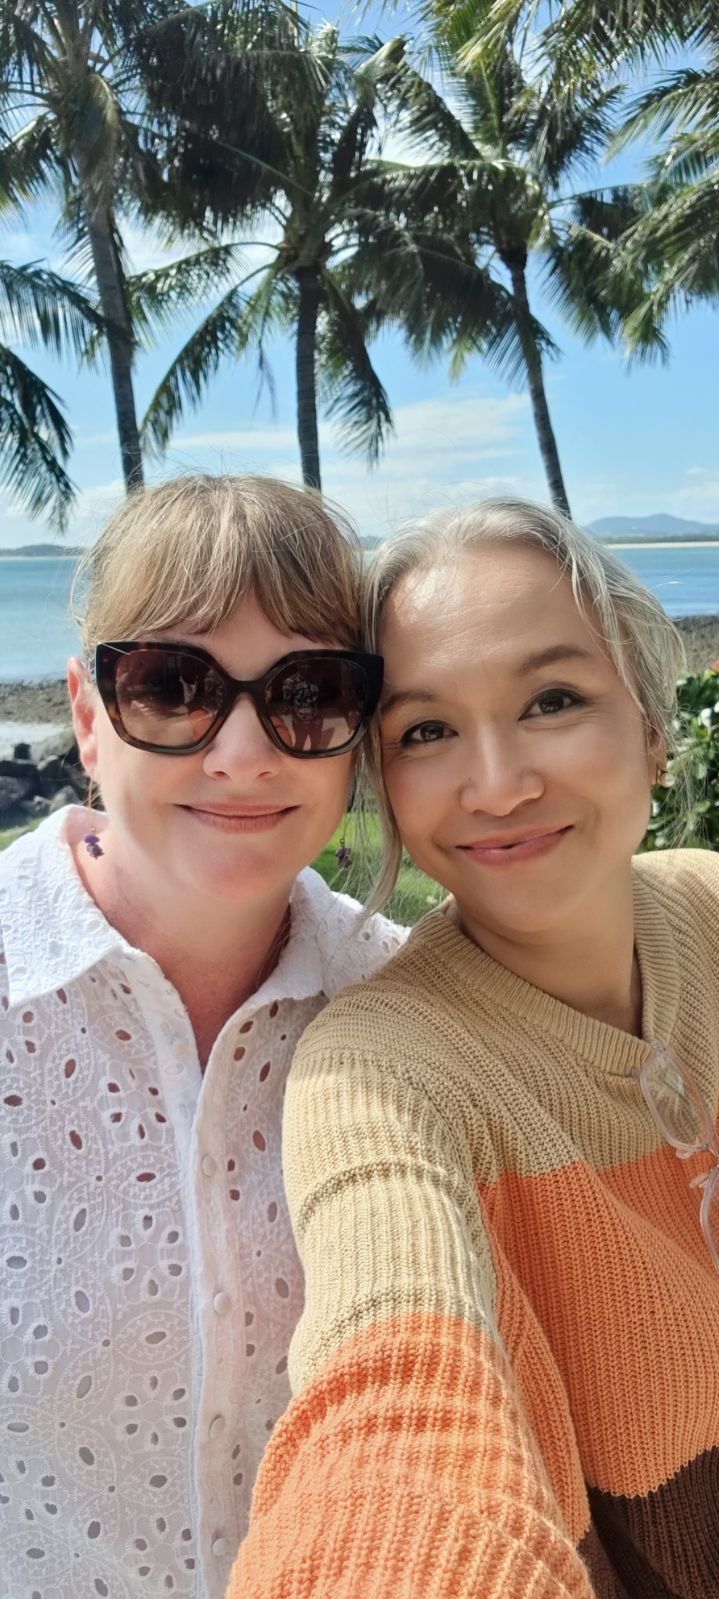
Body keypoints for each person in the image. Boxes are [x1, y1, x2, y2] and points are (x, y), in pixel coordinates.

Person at [227, 498, 719, 1599]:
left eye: (550, 700)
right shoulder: (386, 1069)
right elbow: (395, 1406)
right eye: (426, 732)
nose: (495, 784)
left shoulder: (709, 908)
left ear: (648, 721)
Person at [0, 474, 404, 1599]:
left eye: (307, 692)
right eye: (172, 688)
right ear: (88, 716)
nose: (241, 752)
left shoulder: (417, 1010)